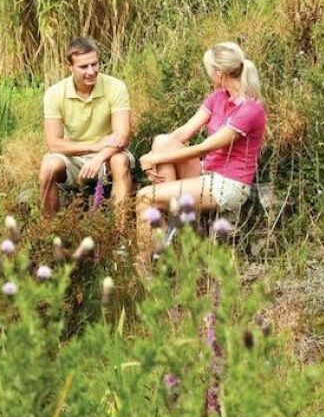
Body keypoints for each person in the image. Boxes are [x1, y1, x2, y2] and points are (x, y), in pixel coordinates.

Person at [135, 42, 266, 270]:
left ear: (219, 72)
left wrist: (154, 161)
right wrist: (153, 154)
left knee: (146, 196)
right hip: (207, 174)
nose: (208, 75)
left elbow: (203, 148)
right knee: (162, 141)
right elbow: (182, 134)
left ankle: (146, 270)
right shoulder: (217, 97)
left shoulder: (250, 109)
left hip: (229, 185)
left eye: (209, 71)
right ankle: (172, 231)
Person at [39, 37, 132, 216]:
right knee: (48, 168)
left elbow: (122, 136)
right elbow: (53, 144)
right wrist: (92, 147)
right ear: (70, 66)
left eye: (95, 64)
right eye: (83, 67)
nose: (91, 71)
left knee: (120, 162)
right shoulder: (54, 94)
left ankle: (121, 237)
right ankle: (49, 234)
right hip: (75, 156)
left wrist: (99, 157)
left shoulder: (116, 87)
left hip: (109, 152)